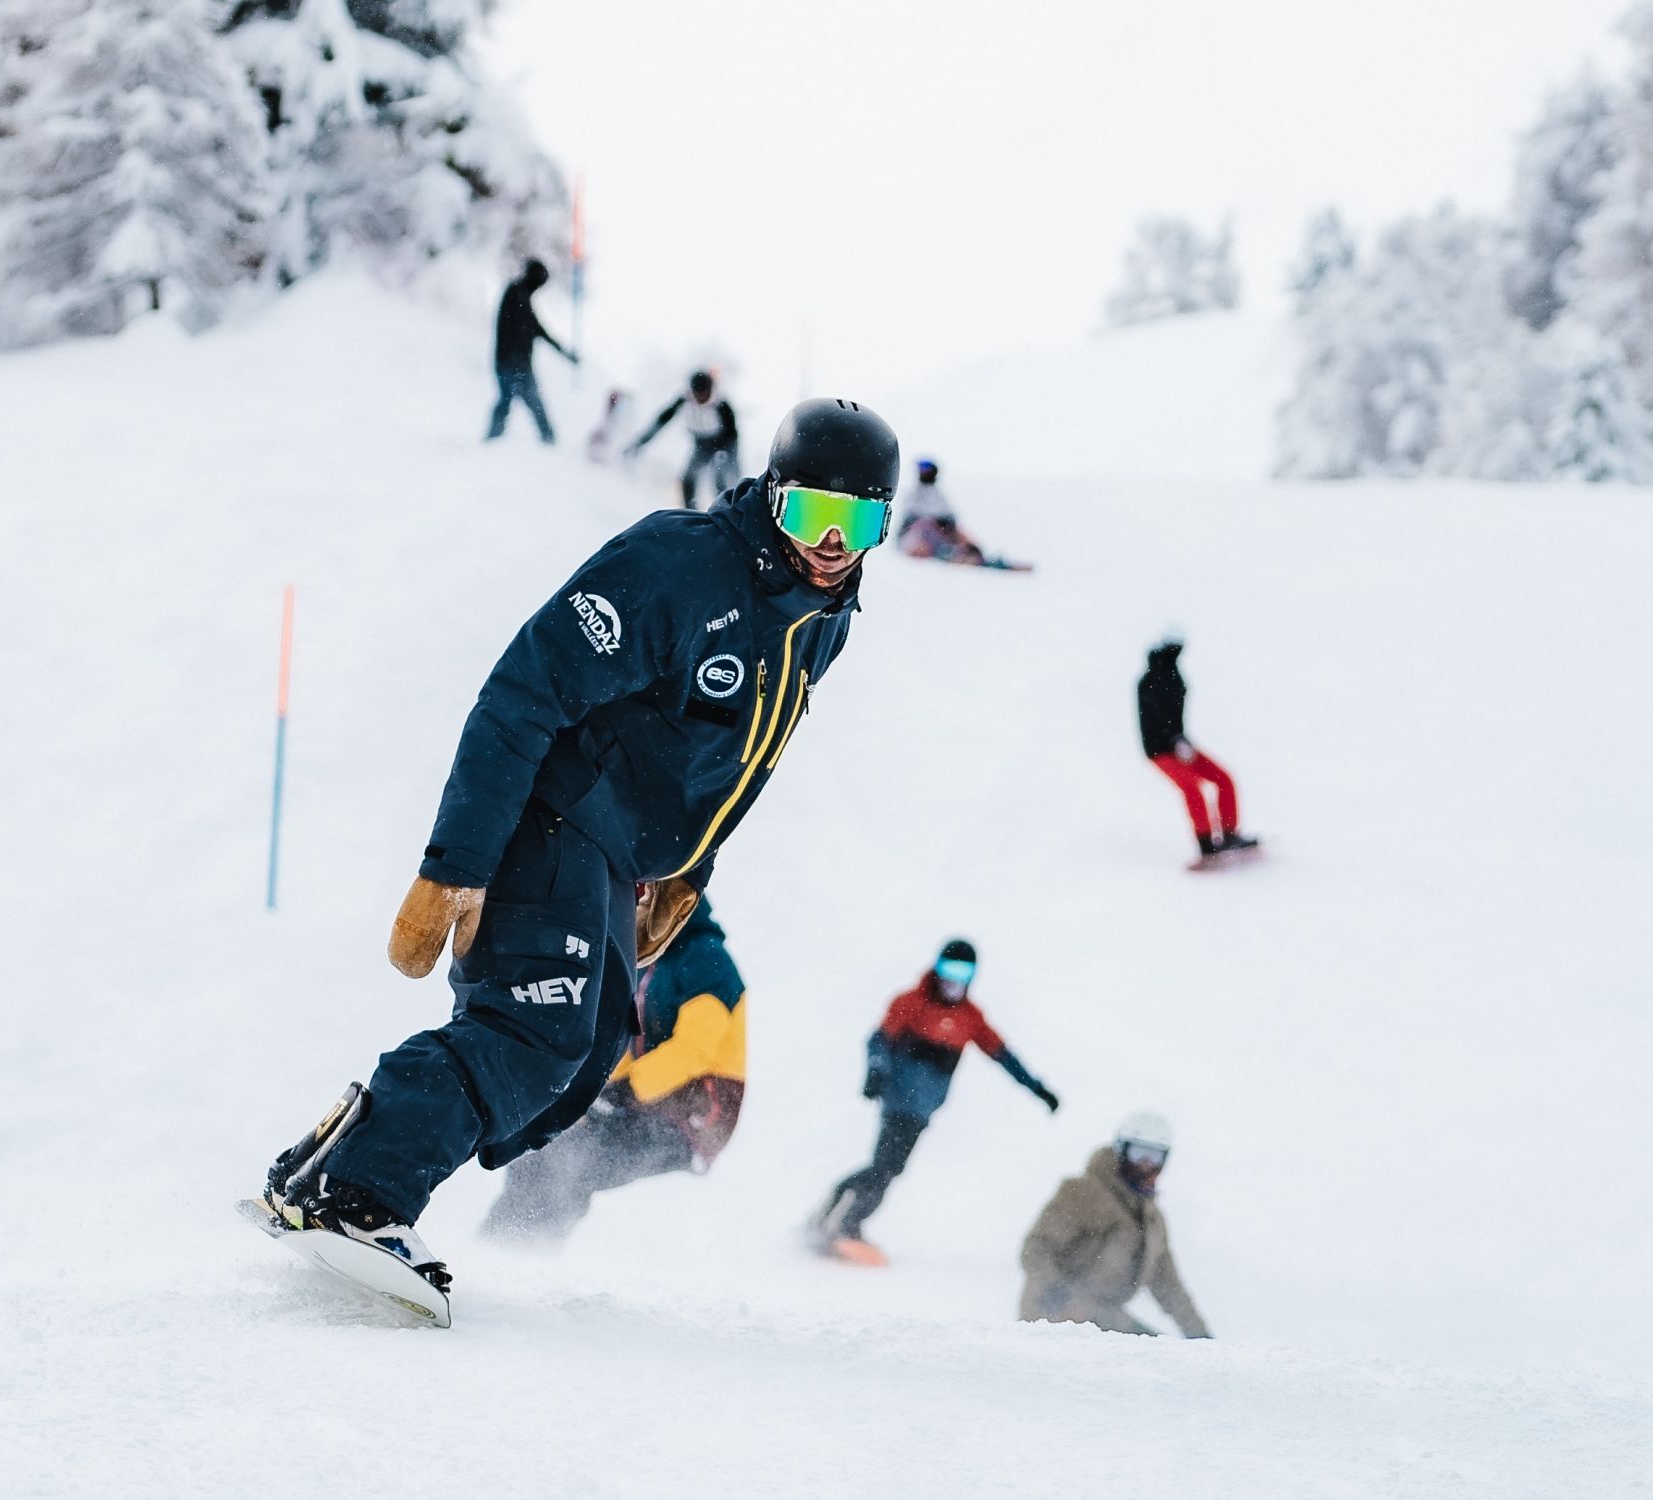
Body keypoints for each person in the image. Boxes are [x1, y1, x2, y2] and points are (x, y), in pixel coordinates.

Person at [259, 398, 903, 1300]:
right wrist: (457, 865)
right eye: (811, 514)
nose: (832, 543)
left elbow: (740, 761)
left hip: (617, 858)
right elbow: (525, 689)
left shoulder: (821, 620)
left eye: (857, 520)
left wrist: (686, 869)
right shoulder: (681, 565)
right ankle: (354, 1191)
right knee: (535, 1026)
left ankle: (333, 1168)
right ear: (772, 494)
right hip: (548, 814)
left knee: (587, 1050)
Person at [479, 895, 747, 1242]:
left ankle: (522, 1248)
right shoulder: (653, 961)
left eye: (648, 899)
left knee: (573, 1159)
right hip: (647, 1106)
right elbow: (629, 1044)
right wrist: (594, 1091)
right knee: (543, 1149)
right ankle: (500, 1243)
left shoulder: (705, 958)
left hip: (693, 1116)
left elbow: (694, 1048)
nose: (637, 907)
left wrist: (627, 1091)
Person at [811, 939, 1059, 1264]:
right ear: (937, 968)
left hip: (924, 1108)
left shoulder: (971, 1017)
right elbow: (878, 1040)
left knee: (889, 1168)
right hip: (899, 1100)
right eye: (948, 969)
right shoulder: (912, 1002)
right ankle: (843, 1223)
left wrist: (1037, 1088)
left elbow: (1003, 1056)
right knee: (886, 1167)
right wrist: (876, 1072)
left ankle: (837, 1218)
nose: (954, 979)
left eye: (963, 972)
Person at [1018, 1110, 1211, 1338]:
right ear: (1122, 1150)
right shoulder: (1084, 1192)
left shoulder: (1152, 1221)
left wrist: (1204, 1342)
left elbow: (1170, 1288)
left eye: (1155, 1156)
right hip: (1053, 1315)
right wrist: (1057, 1295)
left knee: (1163, 1357)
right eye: (1139, 1153)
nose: (1146, 1164)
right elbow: (1037, 1247)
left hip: (1104, 1316)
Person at [1138, 638, 1258, 864]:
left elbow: (1174, 717)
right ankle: (1206, 845)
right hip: (1159, 750)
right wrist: (1172, 739)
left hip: (1179, 744)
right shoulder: (1150, 681)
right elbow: (1154, 718)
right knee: (1193, 788)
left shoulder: (1174, 678)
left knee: (1223, 778)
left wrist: (1179, 740)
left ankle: (1229, 834)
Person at [486, 259, 577, 444]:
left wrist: (566, 354)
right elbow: (532, 330)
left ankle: (546, 440)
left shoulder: (524, 300)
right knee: (519, 402)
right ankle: (495, 441)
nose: (540, 286)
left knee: (517, 403)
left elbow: (542, 332)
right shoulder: (515, 294)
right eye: (540, 280)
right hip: (511, 364)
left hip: (514, 364)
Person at [626, 370, 740, 509]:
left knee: (721, 479)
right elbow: (662, 420)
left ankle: (726, 511)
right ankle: (691, 513)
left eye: (703, 393)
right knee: (688, 479)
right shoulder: (685, 400)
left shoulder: (721, 404)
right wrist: (639, 443)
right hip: (701, 444)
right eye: (697, 393)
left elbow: (732, 433)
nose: (699, 397)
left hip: (722, 444)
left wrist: (727, 454)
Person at [895, 459, 1029, 570]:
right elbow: (911, 517)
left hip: (939, 535)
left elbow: (950, 517)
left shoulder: (939, 496)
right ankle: (950, 553)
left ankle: (972, 551)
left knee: (956, 530)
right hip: (916, 537)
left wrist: (946, 526)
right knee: (925, 526)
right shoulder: (913, 494)